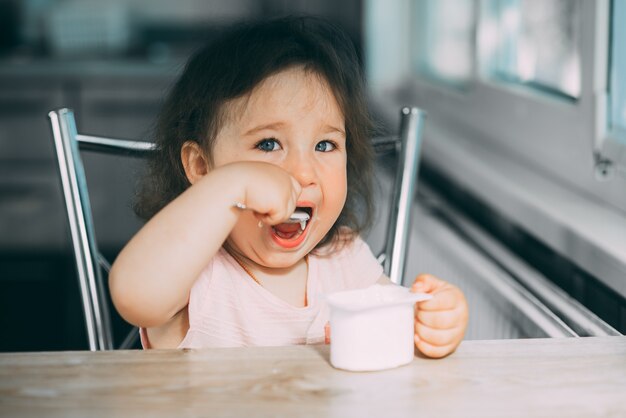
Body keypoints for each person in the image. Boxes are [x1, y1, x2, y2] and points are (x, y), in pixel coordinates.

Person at [109, 16, 468, 358]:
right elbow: (133, 295)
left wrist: (432, 321)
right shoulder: (195, 271)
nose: (302, 172)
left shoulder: (345, 261)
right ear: (202, 167)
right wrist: (232, 186)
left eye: (325, 146)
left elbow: (395, 334)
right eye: (268, 144)